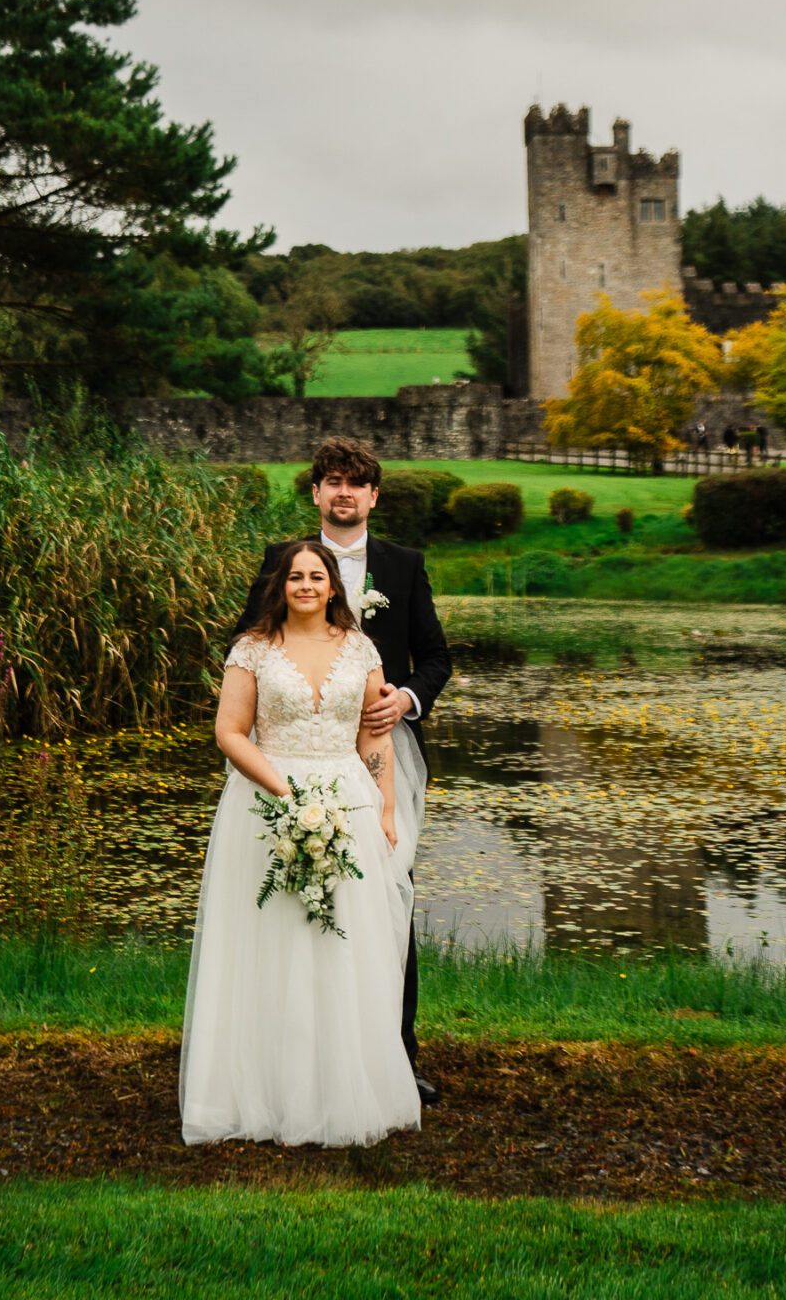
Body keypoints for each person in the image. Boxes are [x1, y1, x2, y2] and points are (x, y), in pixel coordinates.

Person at [180, 539, 421, 1147]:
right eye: (295, 577)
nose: (307, 585)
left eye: (317, 576)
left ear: (334, 586)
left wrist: (385, 806)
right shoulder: (253, 651)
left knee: (341, 942)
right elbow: (230, 733)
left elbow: (375, 735)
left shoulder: (361, 649)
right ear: (279, 586)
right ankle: (261, 1091)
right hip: (267, 804)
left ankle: (341, 1090)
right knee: (272, 940)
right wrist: (284, 792)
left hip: (348, 801)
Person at [233, 437, 451, 1096]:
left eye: (356, 483)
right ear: (316, 493)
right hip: (293, 751)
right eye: (332, 482)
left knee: (386, 894)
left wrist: (405, 698)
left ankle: (394, 1056)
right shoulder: (284, 561)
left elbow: (436, 657)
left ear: (373, 495)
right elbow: (246, 644)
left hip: (384, 753)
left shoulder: (404, 565)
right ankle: (284, 1053)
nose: (344, 493)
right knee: (279, 896)